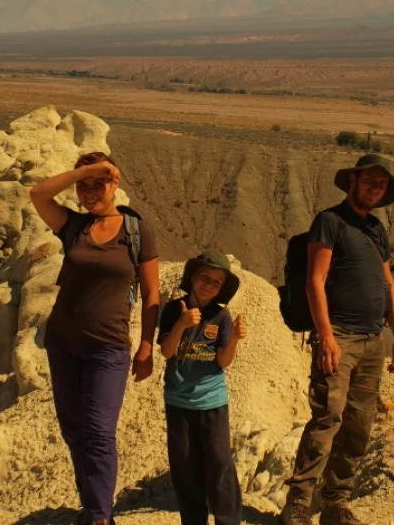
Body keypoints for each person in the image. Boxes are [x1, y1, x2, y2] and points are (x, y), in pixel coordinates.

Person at [29, 152, 160, 525]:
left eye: (97, 183)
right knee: (75, 432)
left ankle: (101, 517)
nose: (89, 191)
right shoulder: (73, 226)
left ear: (114, 183)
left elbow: (152, 295)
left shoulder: (136, 232)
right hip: (63, 344)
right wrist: (83, 171)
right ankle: (92, 509)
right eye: (82, 185)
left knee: (99, 433)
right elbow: (38, 195)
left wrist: (146, 346)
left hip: (108, 348)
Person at [281, 154, 394, 525]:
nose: (375, 187)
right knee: (328, 418)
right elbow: (314, 281)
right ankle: (298, 504)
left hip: (373, 339)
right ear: (352, 180)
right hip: (339, 335)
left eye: (381, 184)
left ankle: (336, 503)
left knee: (359, 424)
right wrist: (326, 337)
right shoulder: (330, 221)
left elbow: (388, 283)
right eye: (370, 179)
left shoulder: (376, 229)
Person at [158, 250, 247, 525]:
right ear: (193, 277)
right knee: (186, 469)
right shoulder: (174, 309)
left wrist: (233, 339)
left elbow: (222, 361)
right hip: (179, 403)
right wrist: (182, 325)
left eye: (216, 282)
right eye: (204, 277)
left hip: (212, 402)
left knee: (220, 465)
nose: (208, 284)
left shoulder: (221, 316)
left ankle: (227, 520)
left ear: (222, 288)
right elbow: (167, 352)